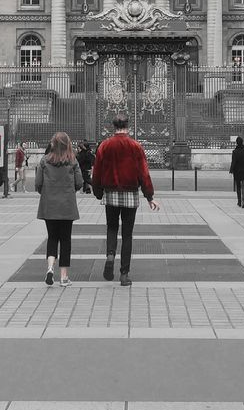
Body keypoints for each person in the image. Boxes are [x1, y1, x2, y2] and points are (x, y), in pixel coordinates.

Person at [91, 116, 159, 286]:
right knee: (127, 234)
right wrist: (149, 196)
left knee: (112, 228)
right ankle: (124, 274)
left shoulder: (105, 145)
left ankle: (110, 255)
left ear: (113, 127)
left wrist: (98, 191)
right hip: (130, 193)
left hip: (111, 193)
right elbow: (144, 172)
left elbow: (97, 170)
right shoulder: (136, 146)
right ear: (128, 127)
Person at [36, 131, 82, 286]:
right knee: (65, 239)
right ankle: (64, 277)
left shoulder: (44, 161)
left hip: (49, 205)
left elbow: (38, 184)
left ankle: (50, 268)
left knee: (52, 238)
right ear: (67, 144)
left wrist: (48, 192)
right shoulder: (72, 161)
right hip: (67, 205)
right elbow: (79, 183)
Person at [229, 136, 244, 208]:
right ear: (242, 142)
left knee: (238, 186)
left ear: (236, 143)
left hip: (237, 172)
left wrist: (231, 171)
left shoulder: (234, 152)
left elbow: (233, 162)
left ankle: (239, 201)